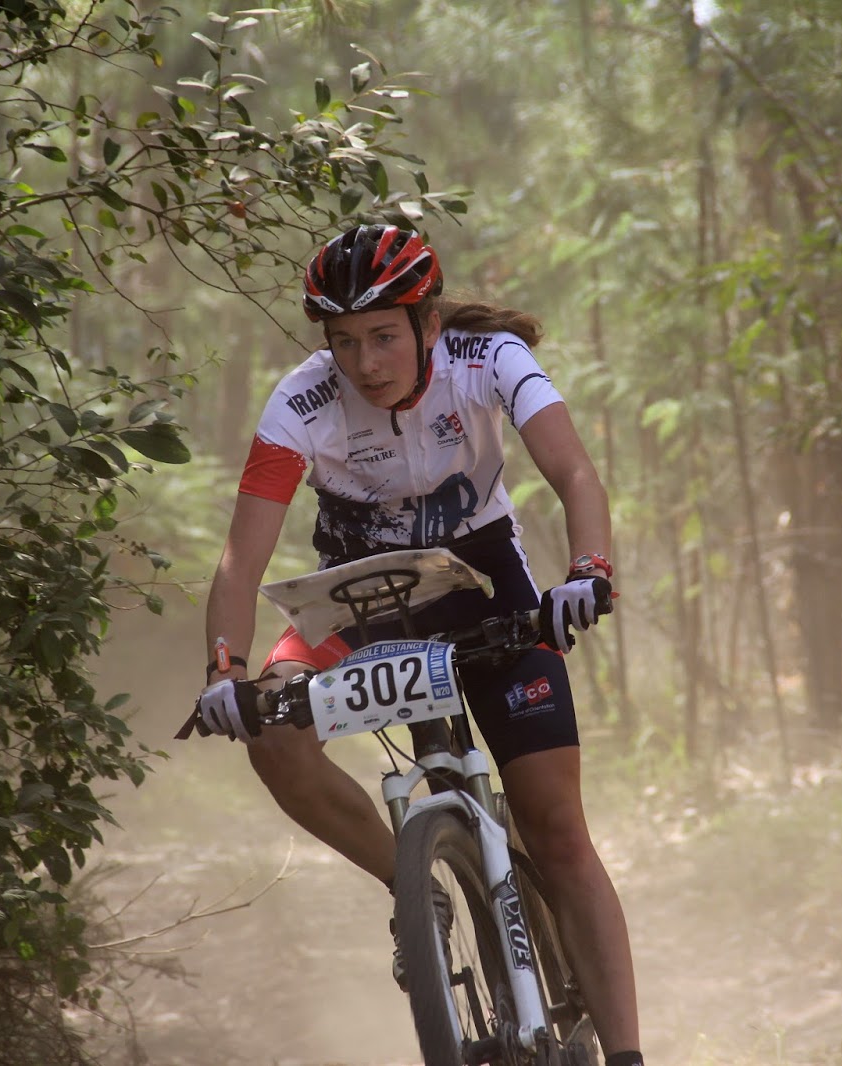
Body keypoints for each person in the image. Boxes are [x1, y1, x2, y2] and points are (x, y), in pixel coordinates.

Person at [195, 224, 645, 1066]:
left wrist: (588, 571)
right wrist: (226, 667)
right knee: (275, 736)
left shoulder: (489, 357)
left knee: (556, 830)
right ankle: (416, 897)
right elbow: (240, 557)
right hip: (357, 601)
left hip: (485, 587)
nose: (365, 363)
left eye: (383, 337)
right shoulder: (301, 402)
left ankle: (626, 1055)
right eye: (344, 343)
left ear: (427, 323)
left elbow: (576, 473)